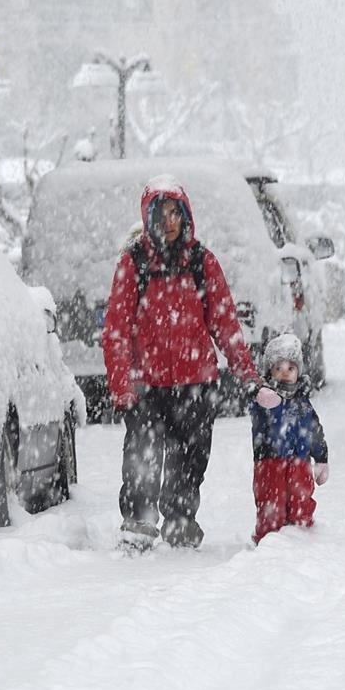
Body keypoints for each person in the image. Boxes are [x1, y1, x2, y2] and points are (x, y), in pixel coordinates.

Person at [102, 174, 280, 550]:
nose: (169, 221)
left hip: (194, 383)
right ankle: (138, 522)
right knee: (142, 456)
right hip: (146, 385)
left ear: (185, 216)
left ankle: (181, 519)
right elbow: (116, 330)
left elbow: (226, 324)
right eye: (161, 213)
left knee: (190, 459)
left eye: (175, 213)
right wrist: (121, 385)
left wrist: (248, 374)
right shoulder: (133, 265)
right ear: (148, 217)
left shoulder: (202, 262)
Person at [249, 333, 329, 544]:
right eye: (279, 368)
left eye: (290, 368)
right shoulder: (264, 399)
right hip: (270, 463)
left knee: (301, 501)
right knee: (271, 505)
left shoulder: (302, 402)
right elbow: (263, 427)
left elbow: (314, 430)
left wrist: (321, 458)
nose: (285, 374)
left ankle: (303, 538)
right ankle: (269, 542)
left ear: (298, 371)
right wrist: (268, 404)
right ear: (270, 371)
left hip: (300, 464)